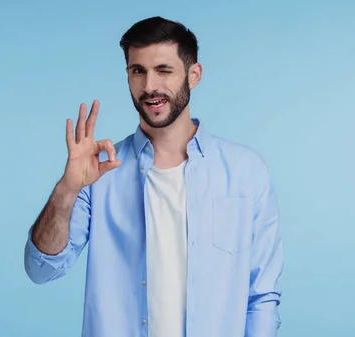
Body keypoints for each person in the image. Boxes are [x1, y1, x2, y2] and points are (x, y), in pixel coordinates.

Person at [24, 16, 283, 337]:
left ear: (194, 74)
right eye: (138, 71)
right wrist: (67, 189)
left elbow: (261, 297)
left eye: (163, 70)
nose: (149, 87)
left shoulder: (245, 171)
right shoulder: (100, 174)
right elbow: (40, 270)